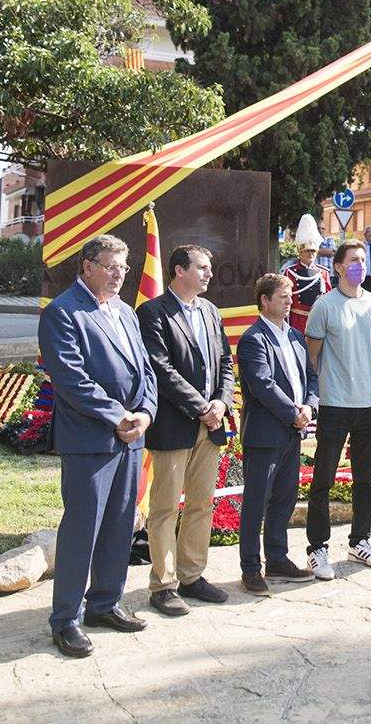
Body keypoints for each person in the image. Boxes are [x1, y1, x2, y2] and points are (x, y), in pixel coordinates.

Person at [39, 235, 158, 658]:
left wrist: (145, 414)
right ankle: (66, 620)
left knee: (120, 525)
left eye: (123, 267)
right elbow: (71, 379)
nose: (119, 274)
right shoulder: (62, 312)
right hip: (90, 440)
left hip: (131, 438)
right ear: (87, 266)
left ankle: (105, 603)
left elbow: (146, 370)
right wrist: (118, 416)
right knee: (83, 529)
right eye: (110, 266)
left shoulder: (126, 312)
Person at [137, 244, 234, 617]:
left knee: (201, 503)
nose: (209, 273)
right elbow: (160, 369)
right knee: (164, 508)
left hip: (211, 425)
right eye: (202, 267)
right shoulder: (153, 313)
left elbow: (225, 361)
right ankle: (164, 585)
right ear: (179, 270)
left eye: (209, 267)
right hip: (175, 425)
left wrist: (221, 403)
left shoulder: (210, 311)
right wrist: (201, 407)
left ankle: (192, 576)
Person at [304, 239, 371, 577]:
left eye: (363, 260)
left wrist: (361, 379)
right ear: (338, 266)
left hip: (367, 405)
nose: (360, 266)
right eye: (353, 260)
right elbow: (313, 357)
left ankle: (360, 542)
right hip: (334, 405)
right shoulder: (324, 305)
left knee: (364, 480)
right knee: (323, 480)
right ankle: (317, 548)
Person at [235, 273, 319, 592]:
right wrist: (293, 414)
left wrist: (309, 407)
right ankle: (250, 568)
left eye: (290, 295)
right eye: (283, 297)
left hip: (292, 433)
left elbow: (311, 377)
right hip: (265, 434)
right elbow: (262, 384)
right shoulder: (253, 339)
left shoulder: (296, 336)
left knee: (285, 498)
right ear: (265, 300)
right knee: (256, 502)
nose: (290, 301)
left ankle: (277, 559)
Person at [281, 213, 332, 334]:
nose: (311, 253)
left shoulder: (323, 273)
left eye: (313, 251)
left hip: (318, 321)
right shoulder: (290, 272)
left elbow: (329, 300)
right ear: (300, 252)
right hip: (296, 322)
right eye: (307, 250)